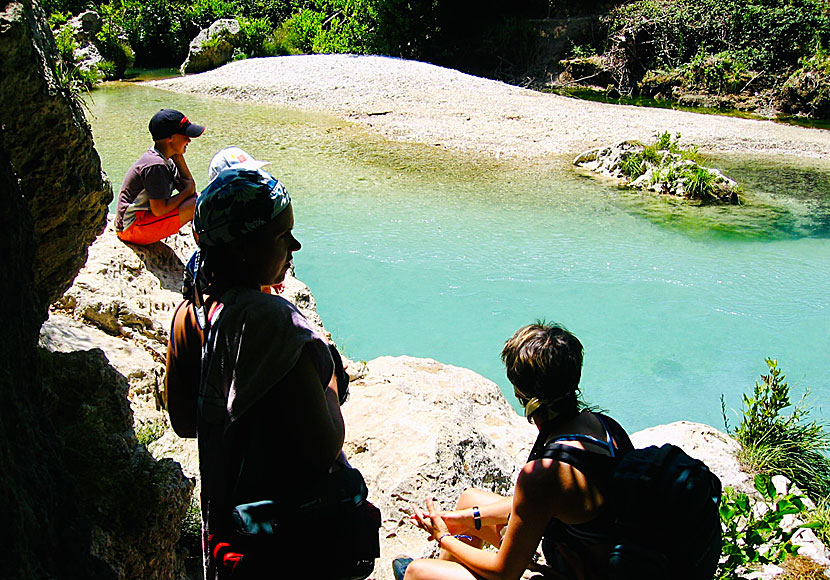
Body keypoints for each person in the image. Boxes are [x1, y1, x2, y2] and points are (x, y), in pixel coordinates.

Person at [166, 167, 346, 578]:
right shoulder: (274, 324)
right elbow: (324, 448)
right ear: (245, 248)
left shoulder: (190, 315)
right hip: (285, 541)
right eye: (283, 236)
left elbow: (184, 421)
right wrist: (331, 380)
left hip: (230, 530)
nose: (294, 245)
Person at [401, 322, 634, 580]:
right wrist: (466, 519)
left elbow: (504, 572)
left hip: (573, 572)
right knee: (470, 500)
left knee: (417, 571)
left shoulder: (545, 474)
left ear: (524, 394)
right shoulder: (605, 427)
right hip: (593, 560)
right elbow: (536, 503)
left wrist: (444, 537)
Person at [115, 109, 205, 245]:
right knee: (198, 204)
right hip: (131, 228)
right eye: (185, 135)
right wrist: (188, 191)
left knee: (198, 200)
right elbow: (159, 210)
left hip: (141, 222)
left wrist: (179, 158)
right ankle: (204, 251)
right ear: (170, 138)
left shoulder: (167, 160)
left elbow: (188, 189)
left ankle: (203, 248)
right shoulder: (155, 165)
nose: (189, 140)